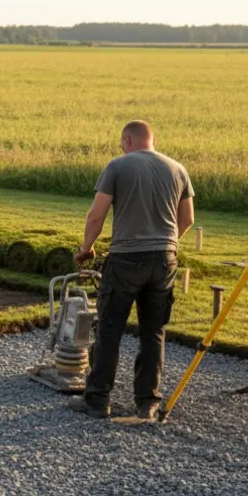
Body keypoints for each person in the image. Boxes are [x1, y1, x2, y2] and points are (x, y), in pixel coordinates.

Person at [71, 120, 195, 420]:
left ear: (127, 140)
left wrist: (86, 248)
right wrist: (168, 243)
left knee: (110, 329)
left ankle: (98, 399)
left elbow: (96, 216)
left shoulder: (118, 166)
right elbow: (188, 218)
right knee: (153, 331)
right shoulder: (177, 169)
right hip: (165, 258)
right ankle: (147, 401)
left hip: (126, 257)